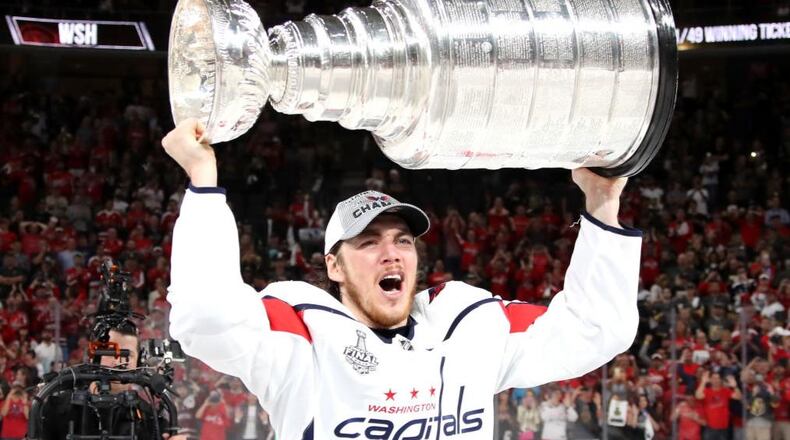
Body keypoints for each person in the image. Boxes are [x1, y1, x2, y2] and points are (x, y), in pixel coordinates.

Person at [162, 119, 641, 438]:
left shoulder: (464, 323)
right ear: (334, 266)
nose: (390, 253)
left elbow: (596, 330)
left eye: (403, 241)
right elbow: (204, 318)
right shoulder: (303, 335)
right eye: (368, 243)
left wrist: (602, 204)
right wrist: (204, 181)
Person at [39, 323, 186, 440]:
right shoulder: (57, 407)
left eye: (127, 354)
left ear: (138, 362)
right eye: (110, 351)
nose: (118, 361)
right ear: (94, 357)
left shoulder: (149, 417)